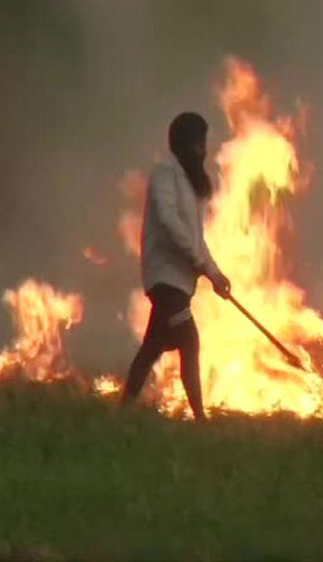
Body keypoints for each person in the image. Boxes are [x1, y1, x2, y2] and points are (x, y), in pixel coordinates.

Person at [120, 112, 230, 420]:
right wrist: (198, 262)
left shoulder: (188, 183)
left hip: (181, 281)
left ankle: (122, 412)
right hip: (165, 277)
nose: (204, 151)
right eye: (200, 144)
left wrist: (214, 273)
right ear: (189, 145)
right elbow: (169, 222)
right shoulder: (165, 174)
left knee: (152, 347)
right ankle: (200, 419)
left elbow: (197, 239)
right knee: (189, 341)